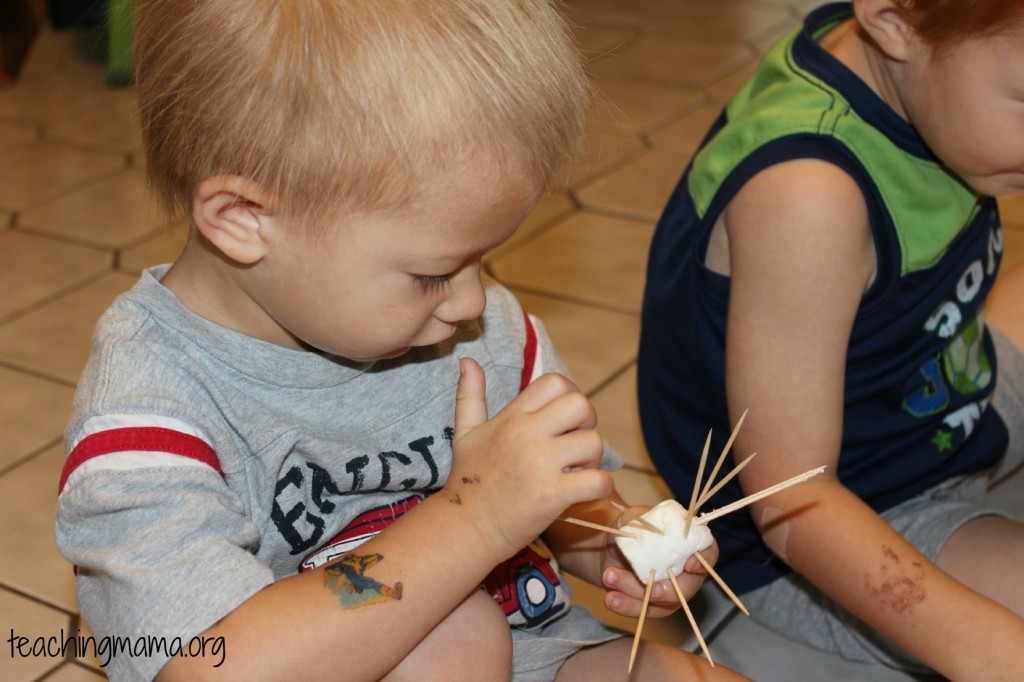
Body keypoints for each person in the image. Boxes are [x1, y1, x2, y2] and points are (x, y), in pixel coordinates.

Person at [53, 1, 747, 680]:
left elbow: (559, 506)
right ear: (242, 219)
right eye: (432, 272)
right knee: (455, 638)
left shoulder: (470, 330)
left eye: (483, 258)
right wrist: (474, 519)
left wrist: (618, 542)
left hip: (537, 648)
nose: (475, 301)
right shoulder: (150, 410)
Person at [637, 0, 1024, 678]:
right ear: (892, 18)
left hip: (936, 391)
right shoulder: (808, 197)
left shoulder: (903, 66)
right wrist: (988, 652)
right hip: (830, 521)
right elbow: (789, 501)